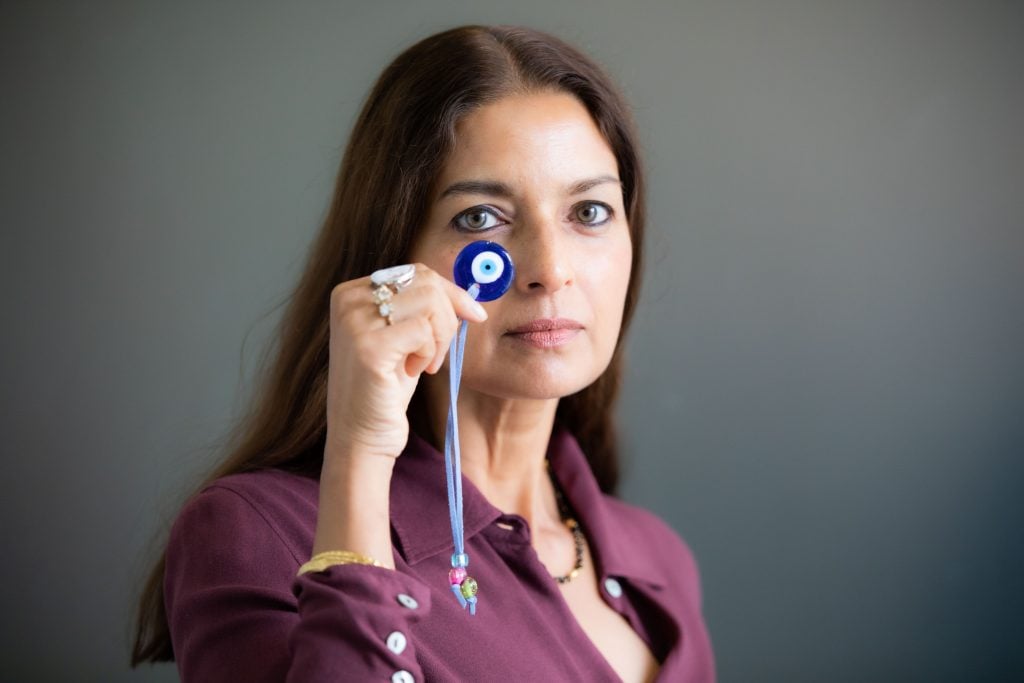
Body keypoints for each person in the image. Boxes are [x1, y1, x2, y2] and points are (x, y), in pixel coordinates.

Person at [131, 24, 715, 682]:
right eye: (480, 217)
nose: (550, 269)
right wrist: (358, 454)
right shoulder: (254, 535)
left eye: (588, 211)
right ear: (393, 255)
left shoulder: (659, 560)